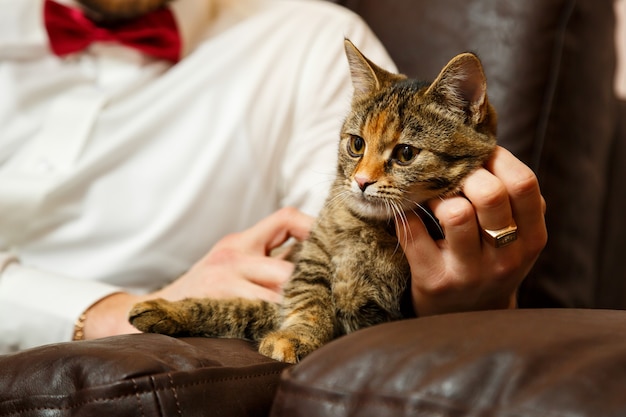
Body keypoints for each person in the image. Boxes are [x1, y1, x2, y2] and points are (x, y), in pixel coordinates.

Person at [0, 0, 547, 353]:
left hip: (163, 369)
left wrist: (461, 305)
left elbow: (357, 244)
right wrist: (96, 313)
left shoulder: (311, 39)